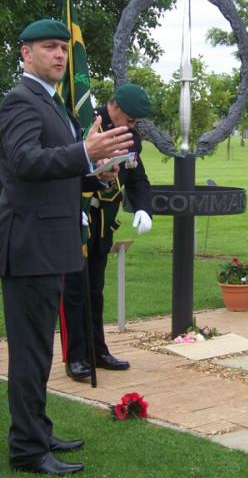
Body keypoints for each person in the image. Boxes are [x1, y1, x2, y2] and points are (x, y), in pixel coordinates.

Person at [0, 19, 134, 474]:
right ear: (25, 54)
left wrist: (94, 173)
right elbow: (23, 162)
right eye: (49, 48)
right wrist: (85, 154)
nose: (60, 55)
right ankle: (26, 449)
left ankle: (37, 431)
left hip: (50, 242)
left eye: (62, 48)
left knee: (38, 347)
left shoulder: (52, 102)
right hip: (30, 245)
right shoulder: (21, 100)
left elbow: (53, 170)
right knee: (31, 352)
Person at [63, 84, 153, 381]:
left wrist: (142, 208)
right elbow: (66, 167)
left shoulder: (130, 138)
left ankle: (97, 350)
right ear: (115, 108)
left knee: (95, 291)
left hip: (102, 227)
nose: (133, 126)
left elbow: (136, 175)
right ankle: (76, 357)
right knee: (75, 292)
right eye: (130, 119)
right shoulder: (87, 124)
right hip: (78, 220)